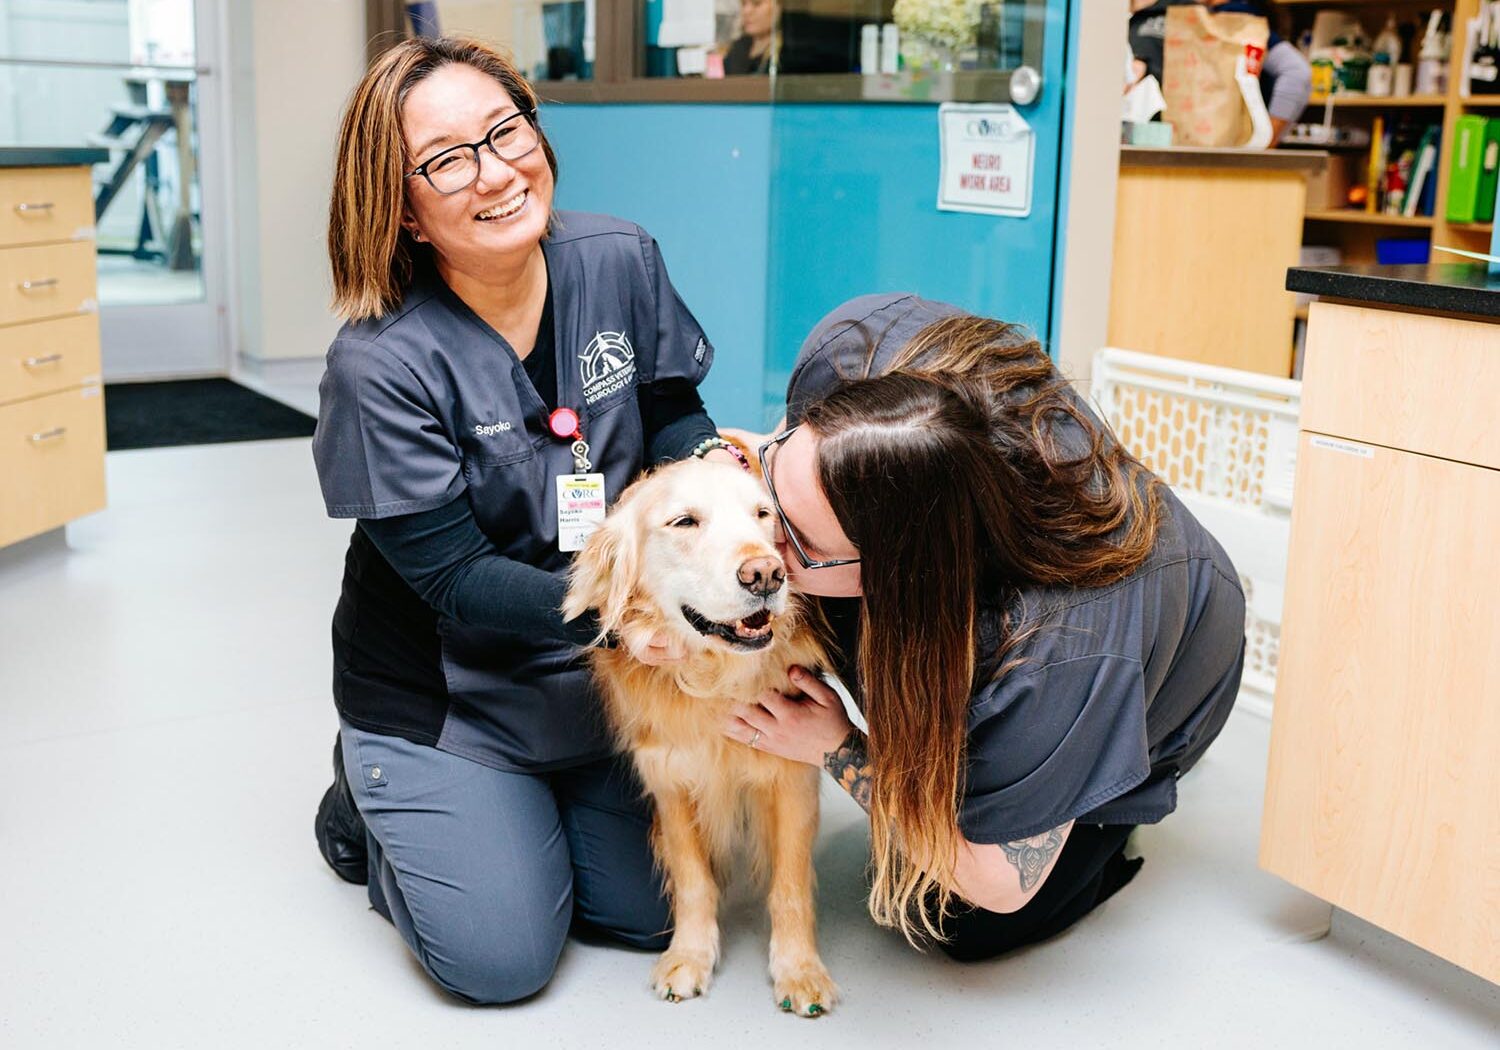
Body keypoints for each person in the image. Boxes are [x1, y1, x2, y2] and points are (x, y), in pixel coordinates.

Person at [311, 35, 737, 1004]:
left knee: (650, 916)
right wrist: (634, 616)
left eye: (508, 132)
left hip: (602, 679)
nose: (497, 173)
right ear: (403, 208)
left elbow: (670, 408)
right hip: (451, 694)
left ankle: (519, 813)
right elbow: (454, 578)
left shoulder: (616, 258)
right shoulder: (380, 364)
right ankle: (366, 798)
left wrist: (712, 471)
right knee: (500, 963)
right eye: (450, 159)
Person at [720, 294, 1246, 958]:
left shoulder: (1060, 653)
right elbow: (776, 467)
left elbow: (999, 883)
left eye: (793, 538)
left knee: (958, 919)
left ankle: (1101, 815)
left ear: (902, 574)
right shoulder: (856, 349)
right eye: (775, 466)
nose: (762, 540)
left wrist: (839, 746)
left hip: (1171, 672)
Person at [1129, 0, 1311, 146]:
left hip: (1219, 150)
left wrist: (1265, 142)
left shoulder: (1235, 19)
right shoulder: (1180, 15)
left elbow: (1296, 73)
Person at [723, 0, 779, 75]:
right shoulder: (737, 48)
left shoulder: (788, 53)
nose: (746, 11)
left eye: (756, 4)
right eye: (743, 4)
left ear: (778, 7)